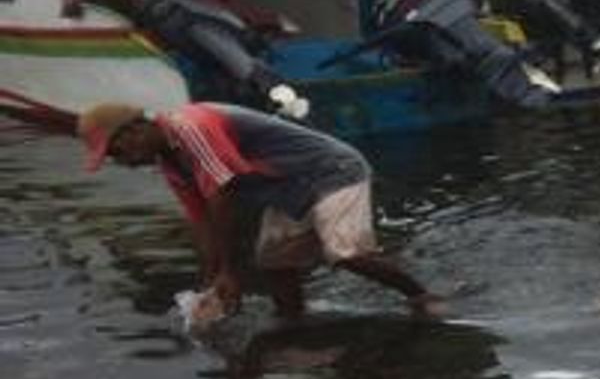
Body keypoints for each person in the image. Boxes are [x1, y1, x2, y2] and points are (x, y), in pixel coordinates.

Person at [77, 102, 440, 322]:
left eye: (117, 151)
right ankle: (293, 320)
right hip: (287, 188)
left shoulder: (189, 127)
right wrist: (210, 279)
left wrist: (230, 271)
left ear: (136, 129)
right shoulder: (171, 164)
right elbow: (201, 220)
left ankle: (421, 296)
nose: (121, 162)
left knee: (343, 253)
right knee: (273, 261)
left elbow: (223, 196)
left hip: (331, 172)